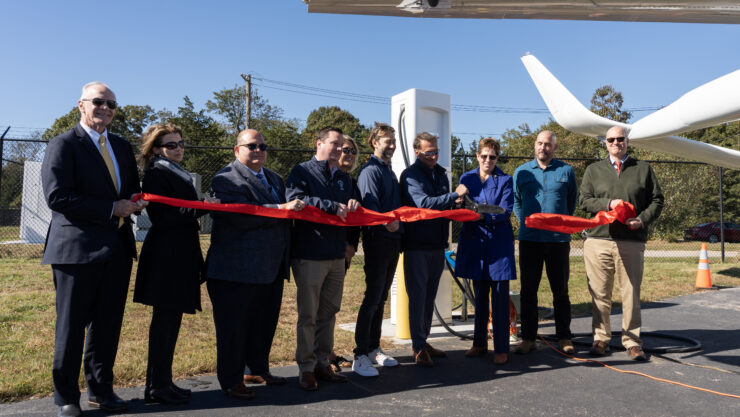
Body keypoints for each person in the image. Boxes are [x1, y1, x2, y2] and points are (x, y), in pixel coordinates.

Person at [41, 82, 147, 417]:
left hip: (116, 249)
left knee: (107, 326)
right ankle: (66, 398)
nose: (105, 108)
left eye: (112, 104)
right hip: (76, 251)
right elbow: (57, 197)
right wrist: (110, 209)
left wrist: (135, 202)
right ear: (81, 105)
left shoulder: (120, 146)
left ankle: (101, 391)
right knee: (71, 328)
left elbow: (129, 190)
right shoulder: (63, 144)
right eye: (99, 102)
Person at [206, 129, 304, 399]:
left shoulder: (273, 177)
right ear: (237, 150)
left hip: (270, 267)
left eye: (263, 145)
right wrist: (280, 209)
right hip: (236, 269)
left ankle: (256, 368)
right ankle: (231, 380)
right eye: (252, 146)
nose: (259, 149)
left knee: (263, 323)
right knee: (234, 329)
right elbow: (240, 217)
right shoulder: (226, 178)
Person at [134, 124, 217, 404]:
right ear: (156, 149)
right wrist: (200, 208)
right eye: (171, 145)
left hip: (181, 252)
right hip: (166, 255)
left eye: (181, 143)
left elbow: (182, 209)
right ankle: (156, 386)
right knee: (164, 322)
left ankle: (163, 382)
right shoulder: (157, 174)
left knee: (171, 322)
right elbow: (163, 216)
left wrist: (198, 207)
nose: (179, 148)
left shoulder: (177, 172)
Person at [579, 126, 664, 361]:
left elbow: (657, 200)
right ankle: (601, 338)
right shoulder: (593, 170)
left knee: (631, 293)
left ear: (628, 141)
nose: (616, 142)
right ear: (605, 143)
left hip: (631, 240)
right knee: (599, 292)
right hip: (598, 240)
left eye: (621, 139)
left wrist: (642, 220)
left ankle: (632, 341)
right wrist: (608, 204)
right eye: (611, 139)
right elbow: (584, 201)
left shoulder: (643, 169)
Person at [285, 127, 360, 390]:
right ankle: (305, 368)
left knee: (329, 312)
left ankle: (321, 363)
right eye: (335, 144)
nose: (340, 149)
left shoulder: (343, 178)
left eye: (342, 145)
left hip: (336, 255)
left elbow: (350, 207)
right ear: (319, 143)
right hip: (310, 254)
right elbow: (295, 199)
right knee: (309, 314)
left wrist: (353, 205)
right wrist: (331, 206)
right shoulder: (301, 171)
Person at [400, 132, 468, 367]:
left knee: (429, 297)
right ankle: (418, 347)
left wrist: (454, 203)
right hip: (416, 246)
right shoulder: (410, 176)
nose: (434, 156)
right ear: (417, 151)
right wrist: (453, 195)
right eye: (429, 152)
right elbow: (424, 204)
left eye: (436, 151)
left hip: (437, 244)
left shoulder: (440, 173)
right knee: (418, 297)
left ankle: (424, 340)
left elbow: (442, 204)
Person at [513, 131, 578, 355]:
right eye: (540, 143)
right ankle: (528, 338)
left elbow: (571, 203)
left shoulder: (566, 171)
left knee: (560, 290)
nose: (543, 148)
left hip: (558, 241)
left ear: (555, 148)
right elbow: (517, 202)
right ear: (535, 145)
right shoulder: (521, 172)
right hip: (530, 240)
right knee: (528, 290)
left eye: (548, 144)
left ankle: (564, 337)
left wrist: (557, 225)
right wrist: (528, 223)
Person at [455, 138, 515, 365]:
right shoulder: (466, 178)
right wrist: (459, 203)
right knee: (479, 297)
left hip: (498, 245)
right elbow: (461, 205)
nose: (488, 160)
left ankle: (501, 348)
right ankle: (479, 343)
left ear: (497, 158)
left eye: (492, 157)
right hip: (474, 242)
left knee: (499, 298)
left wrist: (480, 214)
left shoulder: (505, 180)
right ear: (477, 156)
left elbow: (504, 211)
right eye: (484, 156)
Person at [352, 123, 402, 377]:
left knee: (380, 297)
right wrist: (386, 222)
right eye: (386, 141)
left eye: (393, 140)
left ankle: (373, 348)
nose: (391, 144)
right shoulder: (370, 171)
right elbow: (370, 206)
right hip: (377, 242)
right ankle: (360, 354)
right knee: (372, 297)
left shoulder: (388, 170)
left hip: (392, 242)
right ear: (374, 142)